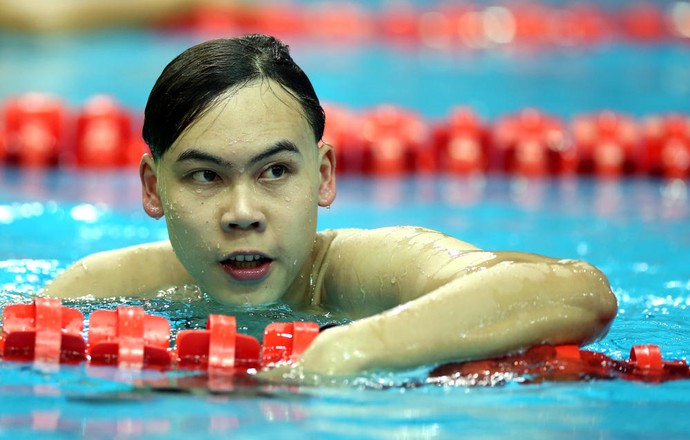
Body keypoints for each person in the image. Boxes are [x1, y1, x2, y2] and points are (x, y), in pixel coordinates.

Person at [43, 34, 617, 378]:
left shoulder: (368, 271)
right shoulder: (99, 288)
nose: (242, 211)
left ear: (323, 176)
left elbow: (577, 291)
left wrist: (351, 349)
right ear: (151, 188)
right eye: (205, 176)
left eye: (275, 171)